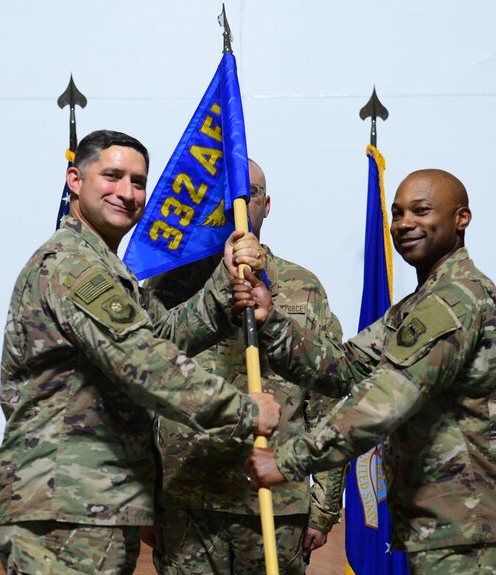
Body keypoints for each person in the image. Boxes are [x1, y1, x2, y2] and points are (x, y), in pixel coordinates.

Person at [0, 130, 281, 575]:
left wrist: (226, 284)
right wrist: (245, 411)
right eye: (112, 176)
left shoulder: (106, 268)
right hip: (66, 501)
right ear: (75, 179)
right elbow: (146, 362)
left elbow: (161, 333)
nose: (127, 193)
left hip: (96, 500)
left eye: (138, 181)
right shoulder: (72, 265)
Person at [241, 169, 496, 574]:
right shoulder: (419, 304)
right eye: (397, 214)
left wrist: (288, 461)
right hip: (449, 524)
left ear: (461, 218)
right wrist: (271, 319)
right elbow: (343, 367)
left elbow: (385, 399)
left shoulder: (456, 300)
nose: (404, 224)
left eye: (421, 211)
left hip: (476, 526)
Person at [144, 159, 345, 575]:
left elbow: (326, 400)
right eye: (227, 195)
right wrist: (145, 501)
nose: (238, 203)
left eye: (249, 193)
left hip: (276, 501)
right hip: (187, 502)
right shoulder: (169, 287)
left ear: (266, 204)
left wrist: (324, 505)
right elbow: (143, 394)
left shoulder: (302, 287)